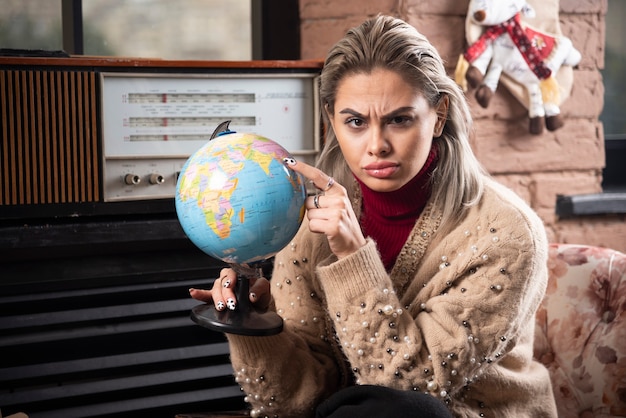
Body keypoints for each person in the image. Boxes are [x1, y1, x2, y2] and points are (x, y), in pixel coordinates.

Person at [190, 15, 557, 418]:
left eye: (399, 119)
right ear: (332, 121)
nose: (377, 145)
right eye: (356, 122)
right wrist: (252, 325)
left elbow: (414, 386)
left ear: (439, 115)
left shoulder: (505, 233)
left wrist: (352, 256)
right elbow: (294, 402)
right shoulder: (309, 226)